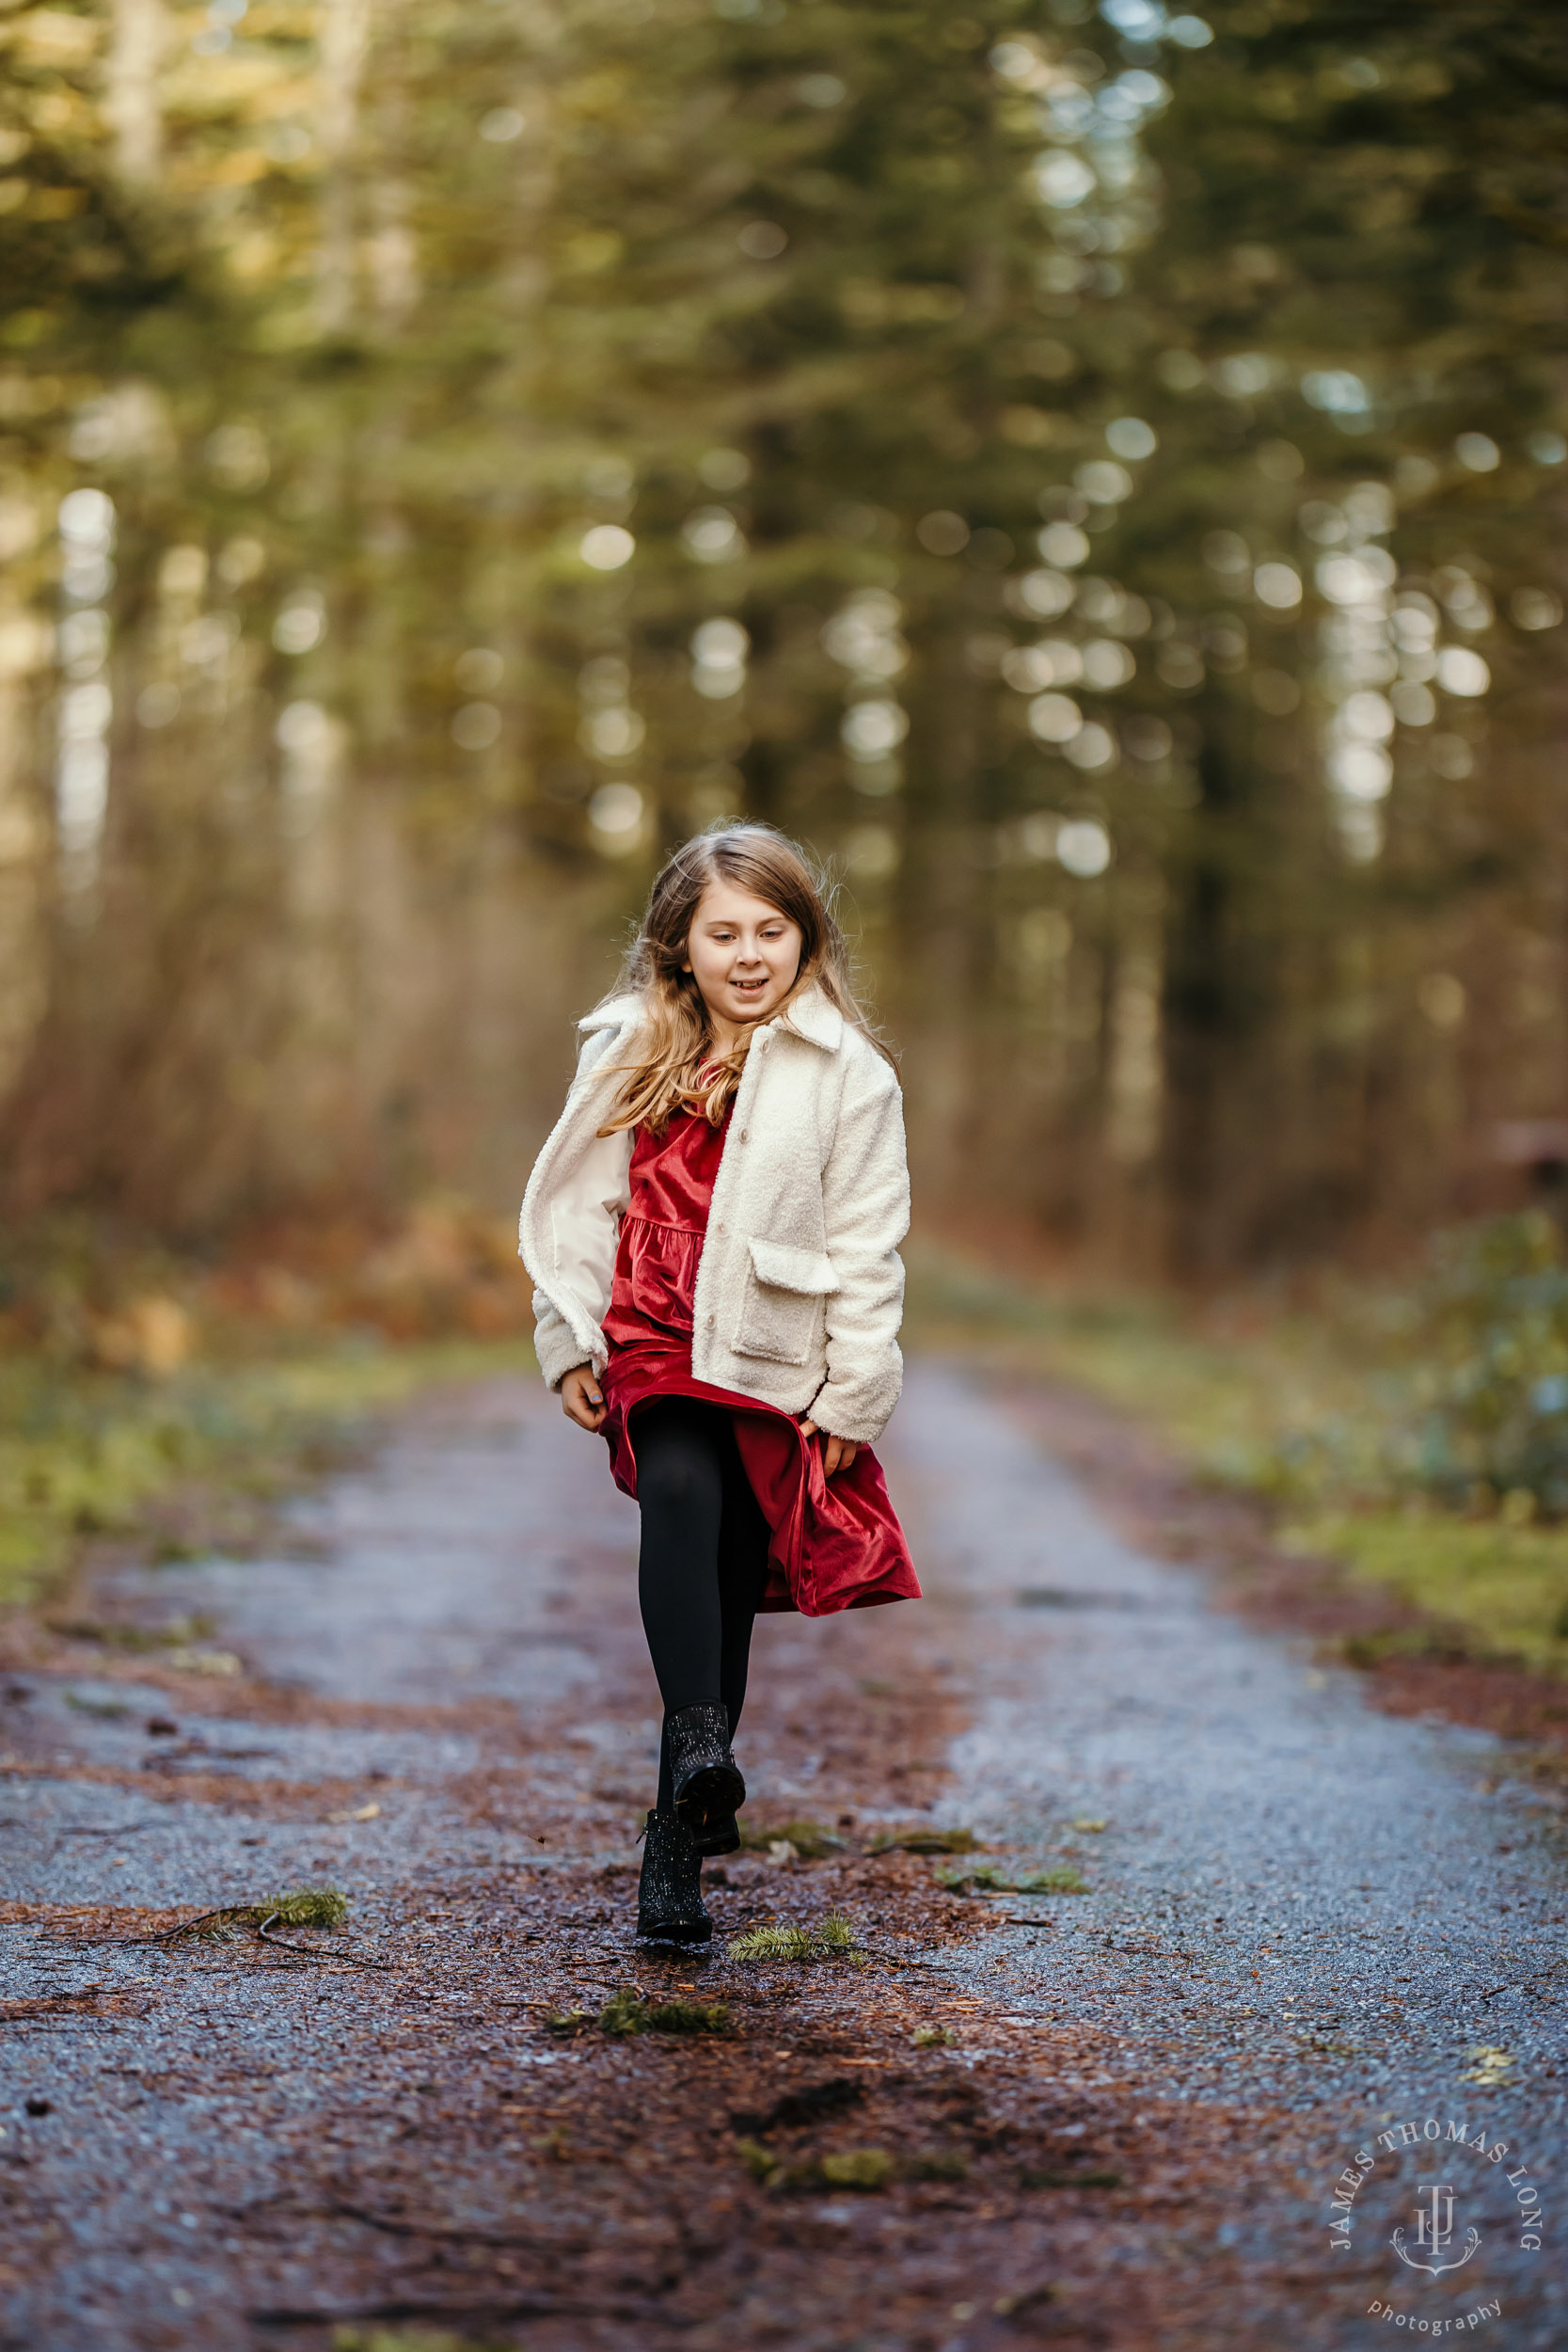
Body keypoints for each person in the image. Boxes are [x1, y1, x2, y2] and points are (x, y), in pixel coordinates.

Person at [519, 822, 920, 1945]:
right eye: (723, 933)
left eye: (772, 931)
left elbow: (867, 1242)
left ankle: (674, 1846)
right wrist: (566, 1339)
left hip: (768, 1347)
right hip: (649, 1333)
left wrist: (853, 1389)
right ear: (678, 946)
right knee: (682, 1495)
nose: (749, 955)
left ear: (806, 939)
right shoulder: (625, 1050)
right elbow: (568, 1210)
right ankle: (700, 1740)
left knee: (733, 1566)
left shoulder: (847, 1075)